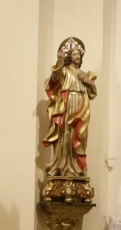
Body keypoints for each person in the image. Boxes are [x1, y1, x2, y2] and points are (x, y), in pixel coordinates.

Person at [42, 36, 97, 177]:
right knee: (66, 135)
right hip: (68, 105)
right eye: (74, 54)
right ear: (69, 57)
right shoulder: (65, 71)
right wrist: (59, 63)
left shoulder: (85, 74)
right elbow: (54, 79)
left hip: (82, 106)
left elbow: (92, 94)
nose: (77, 56)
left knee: (80, 136)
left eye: (79, 54)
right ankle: (63, 166)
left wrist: (90, 83)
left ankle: (78, 168)